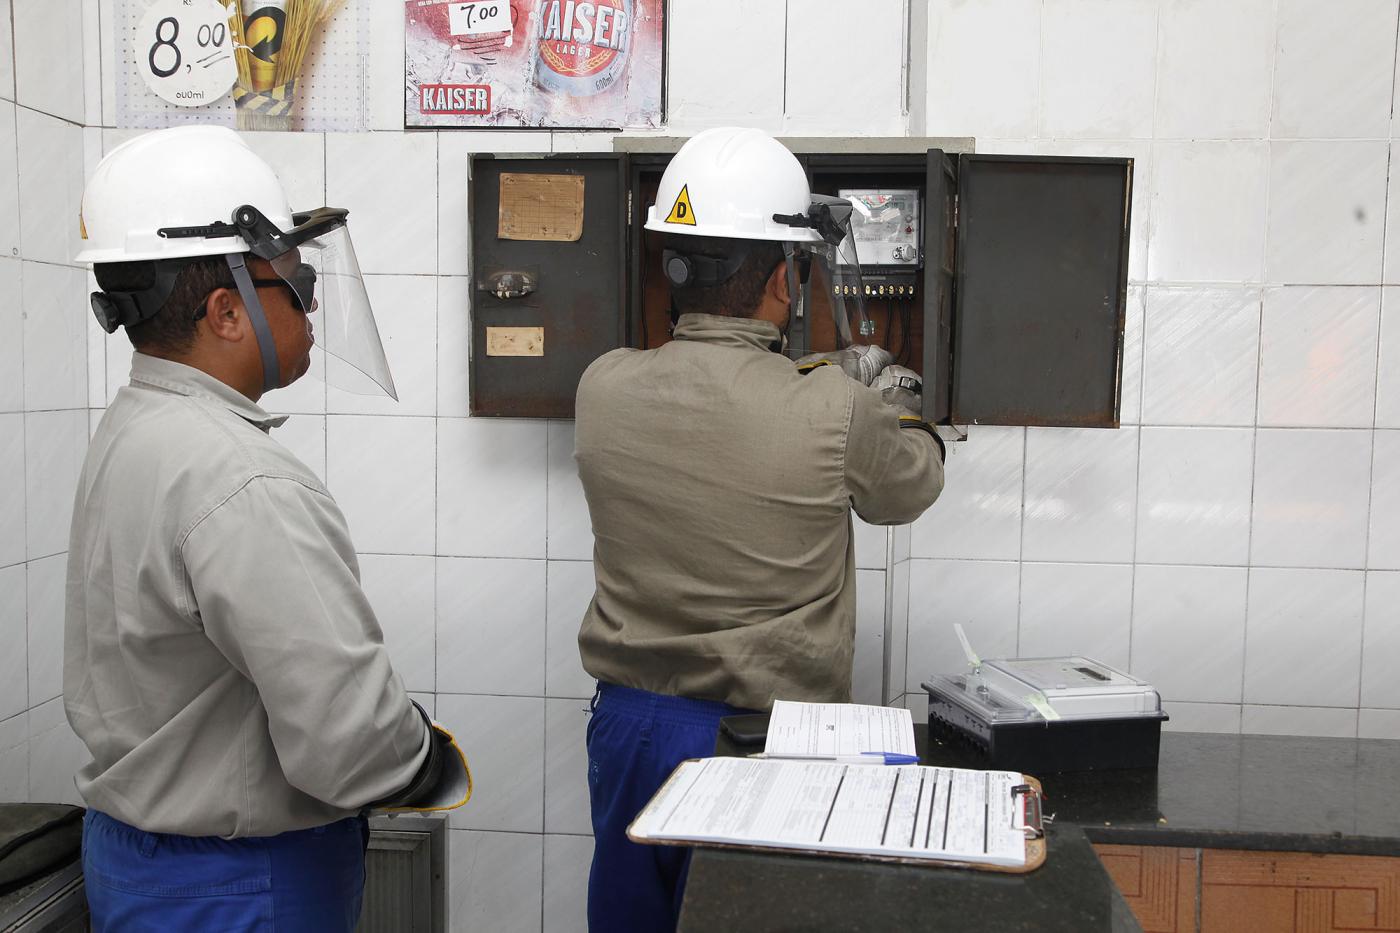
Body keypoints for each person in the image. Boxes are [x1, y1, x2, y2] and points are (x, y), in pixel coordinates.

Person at [65, 125, 468, 932]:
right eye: (296, 279)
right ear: (225, 311)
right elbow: (347, 741)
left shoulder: (135, 428)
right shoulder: (239, 478)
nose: (312, 304)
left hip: (139, 861)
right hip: (240, 884)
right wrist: (425, 759)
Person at [574, 126, 946, 932]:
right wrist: (896, 406)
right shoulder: (832, 408)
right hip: (763, 743)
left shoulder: (601, 387)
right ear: (786, 277)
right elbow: (907, 488)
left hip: (630, 728)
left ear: (673, 264)